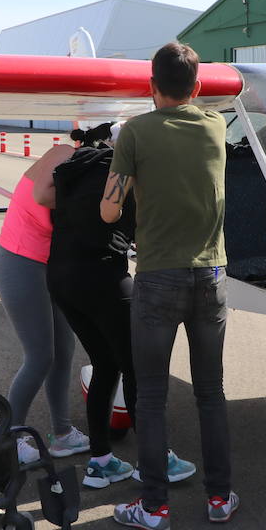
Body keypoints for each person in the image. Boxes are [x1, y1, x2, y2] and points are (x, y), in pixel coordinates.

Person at [103, 42, 237, 530]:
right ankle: (220, 497)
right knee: (210, 391)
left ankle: (155, 506)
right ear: (197, 88)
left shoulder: (136, 131)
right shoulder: (216, 126)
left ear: (151, 87)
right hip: (212, 276)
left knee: (152, 395)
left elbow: (109, 210)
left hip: (158, 277)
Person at [34, 122, 195, 489]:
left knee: (106, 364)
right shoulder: (131, 175)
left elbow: (50, 200)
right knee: (138, 367)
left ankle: (100, 461)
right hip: (104, 278)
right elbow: (146, 231)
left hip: (60, 279)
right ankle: (156, 460)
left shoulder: (79, 164)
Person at [0, 141, 89, 464]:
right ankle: (9, 437)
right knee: (40, 356)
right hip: (19, 264)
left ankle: (62, 434)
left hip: (47, 267)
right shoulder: (64, 155)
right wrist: (92, 196)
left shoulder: (76, 166)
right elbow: (42, 196)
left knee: (64, 350)